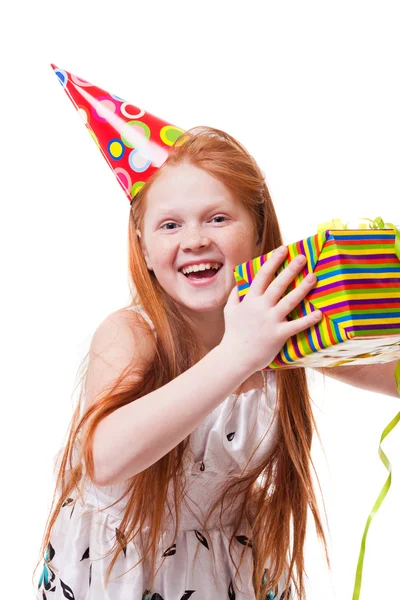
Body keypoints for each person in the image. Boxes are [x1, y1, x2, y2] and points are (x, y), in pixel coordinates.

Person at [32, 125, 398, 600]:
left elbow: (388, 375)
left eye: (218, 218)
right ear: (143, 248)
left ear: (259, 230)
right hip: (120, 572)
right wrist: (238, 354)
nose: (195, 239)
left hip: (228, 571)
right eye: (170, 225)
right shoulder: (132, 333)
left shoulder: (283, 326)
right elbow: (103, 459)